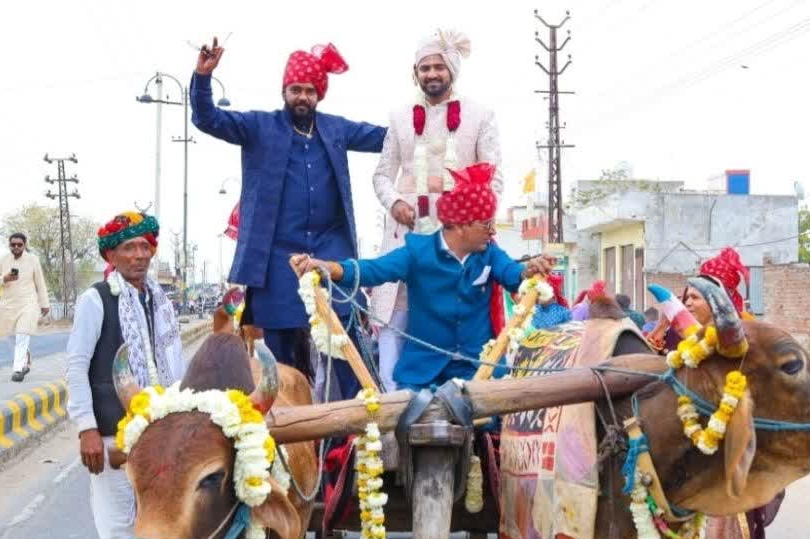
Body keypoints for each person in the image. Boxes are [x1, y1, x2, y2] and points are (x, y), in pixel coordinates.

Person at [189, 36, 385, 401]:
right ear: (284, 90)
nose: (302, 97)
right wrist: (202, 78)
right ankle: (285, 436)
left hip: (331, 253)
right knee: (278, 361)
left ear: (319, 94)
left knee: (346, 344)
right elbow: (207, 118)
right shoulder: (259, 126)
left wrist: (428, 117)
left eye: (309, 90)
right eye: (295, 89)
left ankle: (359, 434)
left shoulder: (336, 129)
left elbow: (386, 139)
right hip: (276, 259)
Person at [293, 163, 551, 389]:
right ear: (461, 226)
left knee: (499, 430)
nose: (492, 230)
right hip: (424, 375)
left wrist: (529, 270)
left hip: (480, 371)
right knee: (408, 430)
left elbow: (513, 273)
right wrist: (327, 267)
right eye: (486, 224)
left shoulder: (490, 253)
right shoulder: (417, 252)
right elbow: (373, 270)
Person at [65, 211, 185, 539]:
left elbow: (173, 364)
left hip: (156, 435)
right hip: (113, 438)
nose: (139, 254)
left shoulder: (160, 301)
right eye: (128, 247)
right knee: (118, 527)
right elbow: (76, 366)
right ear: (111, 255)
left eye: (145, 246)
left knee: (147, 524)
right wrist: (86, 429)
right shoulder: (95, 300)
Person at [370, 29, 502, 393]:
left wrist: (477, 217)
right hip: (406, 237)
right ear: (416, 73)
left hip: (459, 242)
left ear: (452, 71)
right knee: (395, 325)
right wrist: (395, 202)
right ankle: (396, 420)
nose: (431, 74)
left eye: (438, 67)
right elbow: (382, 175)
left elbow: (494, 176)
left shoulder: (480, 115)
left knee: (460, 325)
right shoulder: (399, 117)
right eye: (424, 67)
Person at [663, 247, 782, 539]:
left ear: (719, 300)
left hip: (734, 444)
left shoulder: (748, 337)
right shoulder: (679, 337)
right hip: (689, 443)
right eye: (686, 297)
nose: (687, 301)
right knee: (681, 519)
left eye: (696, 296)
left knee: (732, 523)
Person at [0, 233, 50, 382]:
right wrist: (5, 278)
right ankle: (25, 356)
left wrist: (44, 303)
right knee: (11, 335)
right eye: (13, 244)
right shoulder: (2, 260)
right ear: (9, 245)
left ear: (24, 245)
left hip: (28, 303)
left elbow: (40, 282)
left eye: (19, 244)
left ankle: (17, 370)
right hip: (8, 303)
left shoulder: (33, 259)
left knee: (22, 333)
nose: (16, 247)